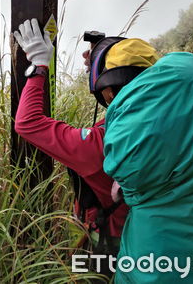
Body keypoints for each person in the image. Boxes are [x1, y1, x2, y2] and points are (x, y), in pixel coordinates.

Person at [88, 37, 193, 283]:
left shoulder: (137, 134)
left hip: (161, 258)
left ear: (115, 85)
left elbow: (129, 174)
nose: (112, 105)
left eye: (108, 97)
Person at [13, 19, 129, 277]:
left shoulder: (101, 145)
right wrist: (103, 64)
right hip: (148, 238)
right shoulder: (153, 127)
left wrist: (39, 66)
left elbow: (27, 123)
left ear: (107, 88)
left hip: (111, 244)